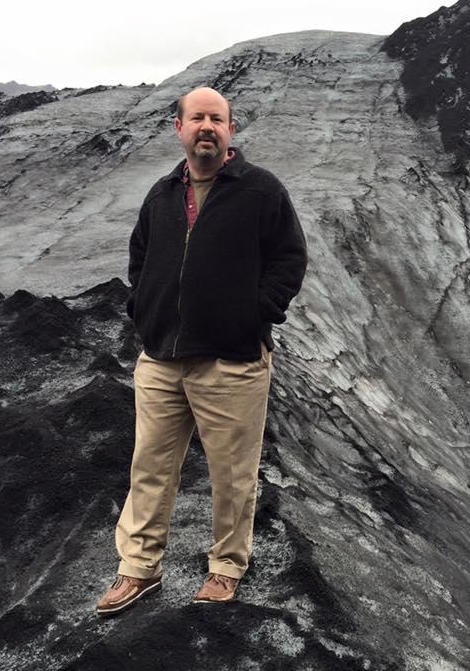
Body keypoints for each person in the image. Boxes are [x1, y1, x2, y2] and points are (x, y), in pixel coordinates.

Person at [96, 87, 307, 614]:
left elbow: (289, 259)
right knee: (149, 465)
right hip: (161, 358)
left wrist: (253, 316)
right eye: (197, 118)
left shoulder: (260, 190)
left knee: (232, 473)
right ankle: (138, 569)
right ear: (179, 128)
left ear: (230, 129)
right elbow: (139, 258)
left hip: (231, 360)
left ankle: (225, 567)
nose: (206, 127)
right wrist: (143, 310)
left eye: (217, 118)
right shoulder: (163, 193)